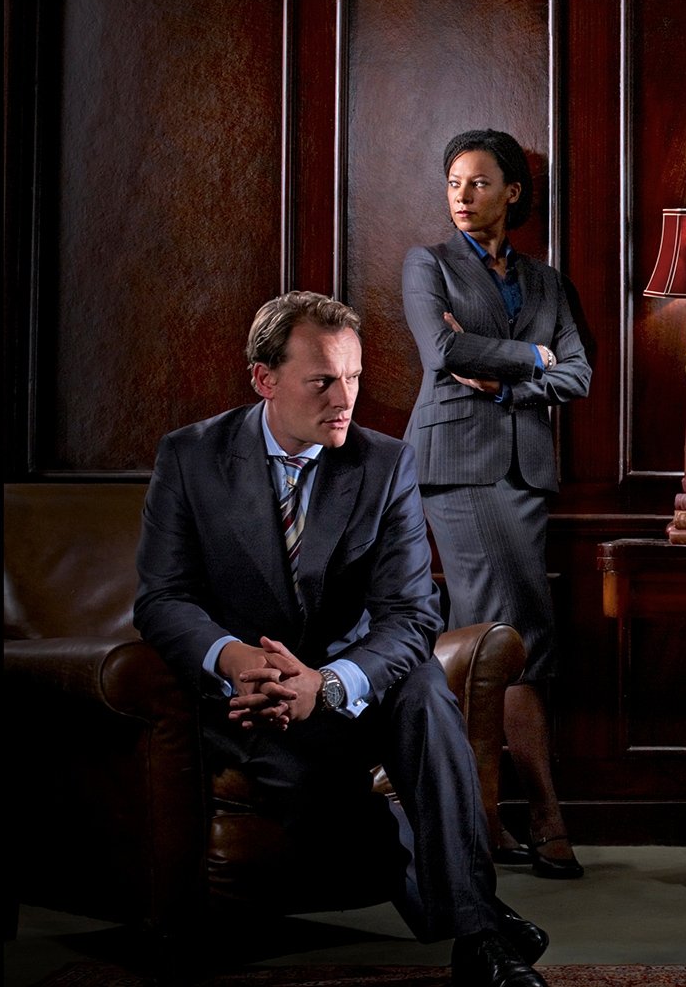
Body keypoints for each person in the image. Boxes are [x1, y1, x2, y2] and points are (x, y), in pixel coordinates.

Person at [134, 291, 548, 986]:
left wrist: (327, 684)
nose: (344, 398)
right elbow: (162, 597)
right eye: (322, 380)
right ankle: (481, 917)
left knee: (426, 695)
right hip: (251, 695)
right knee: (315, 794)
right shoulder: (191, 456)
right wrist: (233, 659)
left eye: (353, 377)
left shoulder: (383, 463)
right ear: (264, 379)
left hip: (355, 684)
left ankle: (478, 942)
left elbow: (410, 615)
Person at [401, 129, 593, 879]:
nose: (462, 195)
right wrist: (534, 357)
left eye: (478, 183)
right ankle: (539, 814)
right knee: (510, 634)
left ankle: (481, 816)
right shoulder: (428, 265)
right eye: (453, 182)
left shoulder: (546, 282)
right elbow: (442, 354)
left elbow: (579, 375)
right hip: (457, 467)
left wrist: (510, 381)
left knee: (499, 638)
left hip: (526, 473)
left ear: (512, 192)